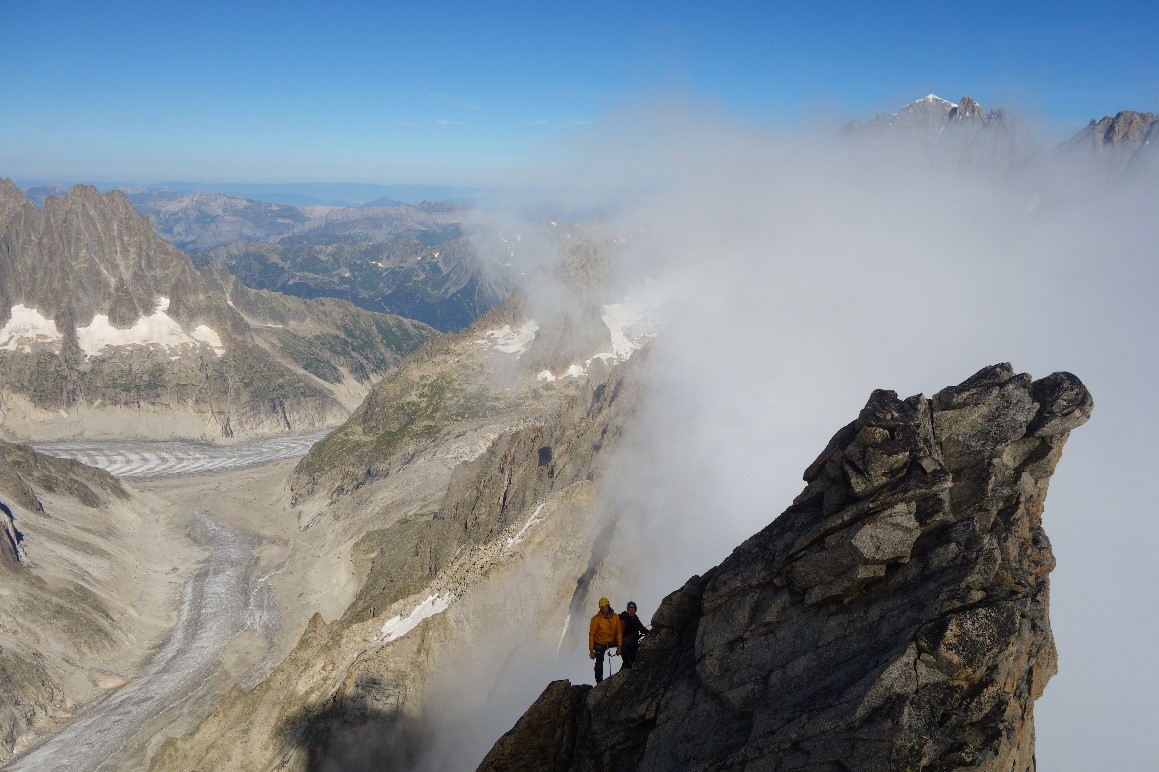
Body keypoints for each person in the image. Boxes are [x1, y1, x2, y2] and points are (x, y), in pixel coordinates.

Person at [588, 597, 622, 683]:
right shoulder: (596, 619)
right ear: (600, 608)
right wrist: (591, 650)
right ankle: (599, 681)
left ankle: (627, 666)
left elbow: (619, 632)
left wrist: (619, 647)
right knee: (599, 662)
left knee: (626, 646)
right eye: (602, 607)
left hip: (611, 641)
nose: (604, 609)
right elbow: (592, 635)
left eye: (605, 606)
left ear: (608, 606)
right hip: (600, 643)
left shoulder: (615, 617)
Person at [618, 600, 650, 670]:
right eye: (630, 609)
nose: (631, 611)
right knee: (628, 663)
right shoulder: (623, 621)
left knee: (626, 664)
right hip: (625, 645)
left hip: (632, 643)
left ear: (635, 610)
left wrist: (650, 633)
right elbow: (618, 635)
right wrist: (619, 648)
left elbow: (642, 629)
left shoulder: (635, 619)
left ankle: (625, 670)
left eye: (633, 609)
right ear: (627, 610)